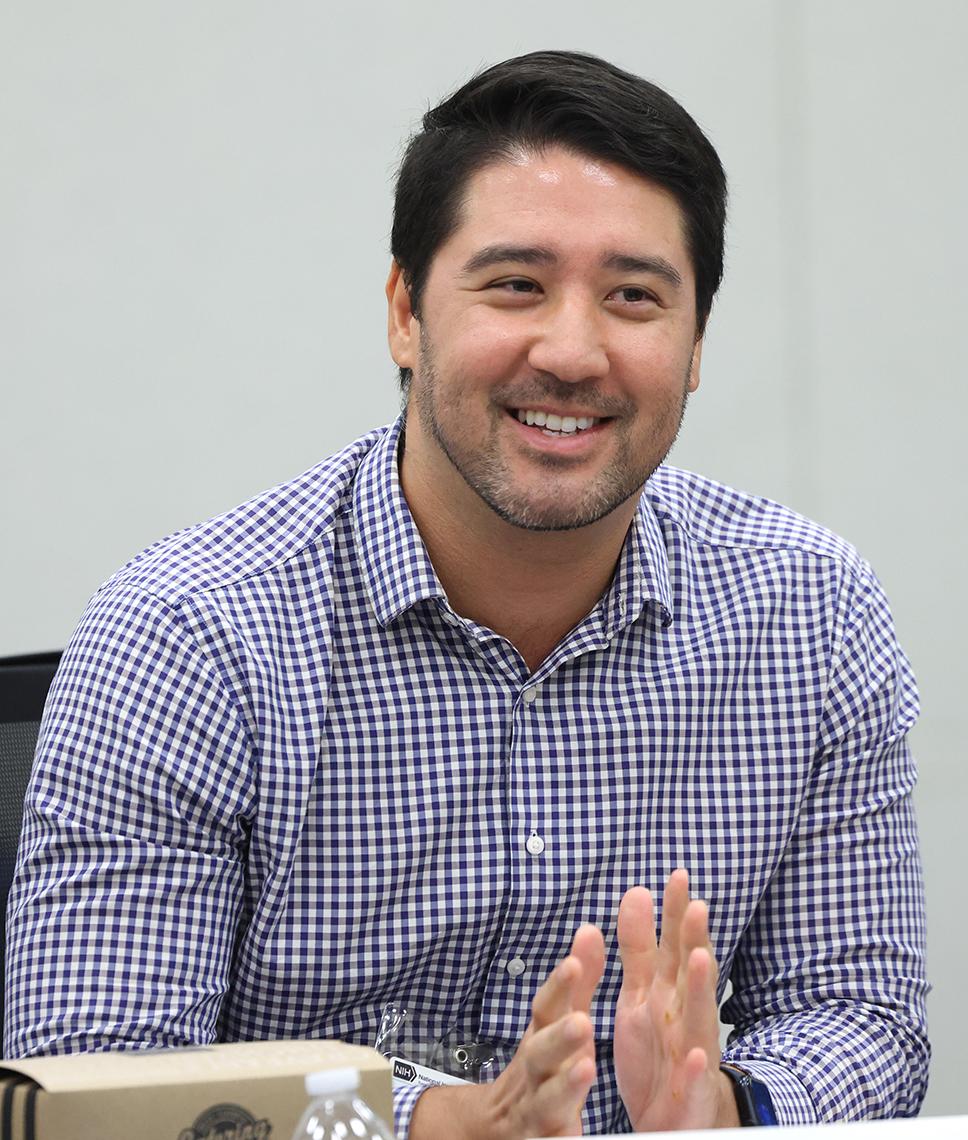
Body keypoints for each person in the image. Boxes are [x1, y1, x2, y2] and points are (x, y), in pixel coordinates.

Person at [4, 50, 928, 1136]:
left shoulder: (808, 613)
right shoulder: (188, 632)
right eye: (514, 285)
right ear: (405, 313)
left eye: (634, 297)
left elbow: (859, 1015)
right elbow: (94, 1078)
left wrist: (723, 1103)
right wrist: (430, 1122)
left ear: (692, 348)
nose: (574, 350)